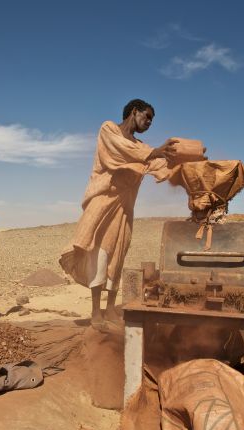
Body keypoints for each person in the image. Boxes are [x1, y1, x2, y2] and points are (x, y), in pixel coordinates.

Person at [59, 99, 178, 332]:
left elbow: (157, 164)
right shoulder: (109, 130)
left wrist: (180, 164)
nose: (149, 123)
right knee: (100, 255)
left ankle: (111, 308)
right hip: (103, 203)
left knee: (117, 255)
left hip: (124, 208)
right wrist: (154, 152)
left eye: (152, 121)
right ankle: (95, 311)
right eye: (147, 117)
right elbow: (119, 152)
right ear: (134, 112)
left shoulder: (141, 147)